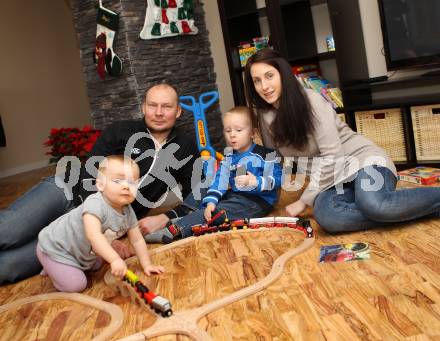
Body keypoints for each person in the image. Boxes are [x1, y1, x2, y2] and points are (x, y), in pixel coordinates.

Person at [0, 83, 198, 284]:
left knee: (8, 267)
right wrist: (107, 238)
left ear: (178, 111)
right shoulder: (120, 130)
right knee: (8, 231)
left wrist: (165, 217)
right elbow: (90, 173)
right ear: (143, 107)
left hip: (85, 232)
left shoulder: (186, 146)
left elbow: (197, 195)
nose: (158, 113)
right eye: (152, 105)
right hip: (66, 192)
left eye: (166, 106)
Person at [243, 48, 440, 233]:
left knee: (373, 204)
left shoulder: (312, 101)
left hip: (363, 162)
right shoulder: (265, 114)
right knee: (328, 216)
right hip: (331, 181)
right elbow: (274, 159)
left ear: (283, 75)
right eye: (257, 81)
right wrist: (263, 195)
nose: (264, 86)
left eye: (269, 76)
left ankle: (402, 206)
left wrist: (303, 201)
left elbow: (333, 157)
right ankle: (412, 209)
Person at [145, 106, 283, 243]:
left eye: (238, 130)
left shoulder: (265, 154)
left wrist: (256, 182)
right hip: (236, 195)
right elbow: (219, 182)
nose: (232, 135)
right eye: (228, 131)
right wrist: (211, 201)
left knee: (218, 212)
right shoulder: (229, 157)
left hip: (256, 202)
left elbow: (278, 178)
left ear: (253, 133)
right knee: (208, 184)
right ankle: (186, 214)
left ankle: (177, 228)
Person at [37, 156, 164, 292]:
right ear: (100, 184)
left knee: (97, 264)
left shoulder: (128, 212)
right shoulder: (95, 204)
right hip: (56, 247)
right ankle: (52, 266)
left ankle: (60, 267)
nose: (126, 186)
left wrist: (147, 265)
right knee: (76, 285)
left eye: (132, 182)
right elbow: (94, 236)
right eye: (118, 180)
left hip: (81, 251)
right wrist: (114, 259)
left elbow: (137, 240)